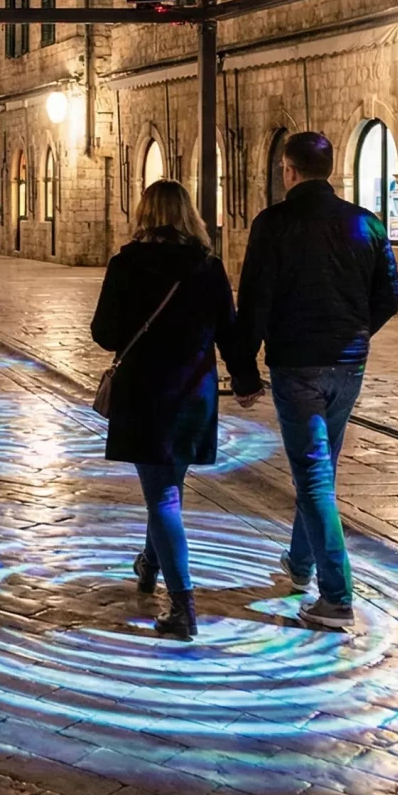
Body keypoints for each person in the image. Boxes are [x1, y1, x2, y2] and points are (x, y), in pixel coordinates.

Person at [227, 132, 398, 632]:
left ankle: (337, 596)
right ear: (330, 170)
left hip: (297, 365)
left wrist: (244, 372)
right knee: (319, 470)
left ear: (289, 170)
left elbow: (255, 303)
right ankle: (300, 564)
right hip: (348, 366)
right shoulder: (365, 222)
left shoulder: (274, 224)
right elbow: (390, 294)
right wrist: (355, 331)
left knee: (315, 475)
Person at [91, 181, 240, 640]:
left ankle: (182, 606)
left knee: (163, 496)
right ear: (188, 215)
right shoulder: (208, 267)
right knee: (168, 487)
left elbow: (105, 332)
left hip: (145, 393)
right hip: (194, 392)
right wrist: (248, 379)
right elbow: (229, 332)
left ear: (144, 214)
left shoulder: (126, 263)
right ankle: (150, 563)